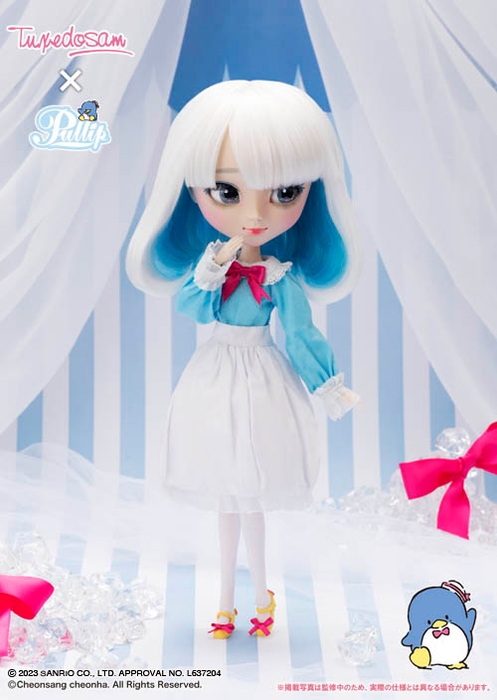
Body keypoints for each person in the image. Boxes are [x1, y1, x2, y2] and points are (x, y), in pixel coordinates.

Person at [126, 80, 361, 639]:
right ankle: (226, 601)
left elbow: (300, 334)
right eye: (227, 191)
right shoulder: (212, 268)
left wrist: (327, 385)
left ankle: (260, 597)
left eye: (284, 192)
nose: (256, 214)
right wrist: (214, 267)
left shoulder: (279, 277)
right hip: (215, 375)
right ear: (192, 191)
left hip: (261, 377)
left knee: (253, 495)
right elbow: (191, 306)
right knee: (224, 498)